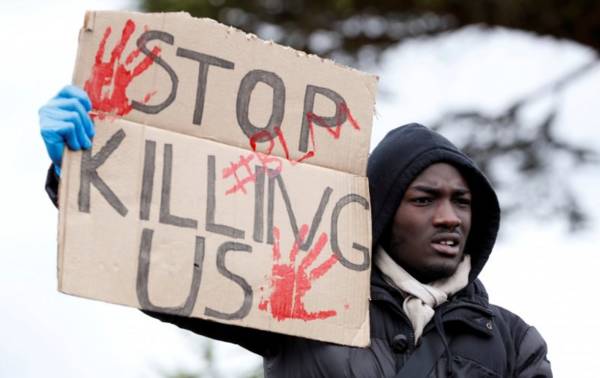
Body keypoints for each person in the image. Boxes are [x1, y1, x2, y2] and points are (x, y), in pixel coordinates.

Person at [40, 85, 552, 377]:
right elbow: (164, 269)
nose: (450, 217)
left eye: (462, 202)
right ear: (380, 210)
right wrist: (81, 172)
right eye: (425, 200)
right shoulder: (298, 299)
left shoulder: (512, 340)